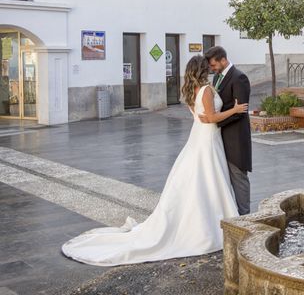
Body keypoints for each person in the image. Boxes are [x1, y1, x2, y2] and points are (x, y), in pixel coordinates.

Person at [61, 55, 247, 266]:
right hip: (207, 139)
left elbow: (202, 116)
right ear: (203, 70)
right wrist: (234, 109)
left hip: (202, 136)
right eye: (208, 66)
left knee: (203, 180)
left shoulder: (191, 91)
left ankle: (208, 220)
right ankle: (208, 224)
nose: (211, 68)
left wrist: (210, 115)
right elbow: (211, 118)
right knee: (209, 178)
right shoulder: (204, 90)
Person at [202, 46, 252, 215]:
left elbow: (240, 111)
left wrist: (215, 122)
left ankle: (245, 216)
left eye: (214, 65)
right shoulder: (216, 77)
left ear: (223, 60)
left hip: (235, 138)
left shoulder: (239, 78)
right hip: (219, 137)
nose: (212, 69)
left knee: (238, 177)